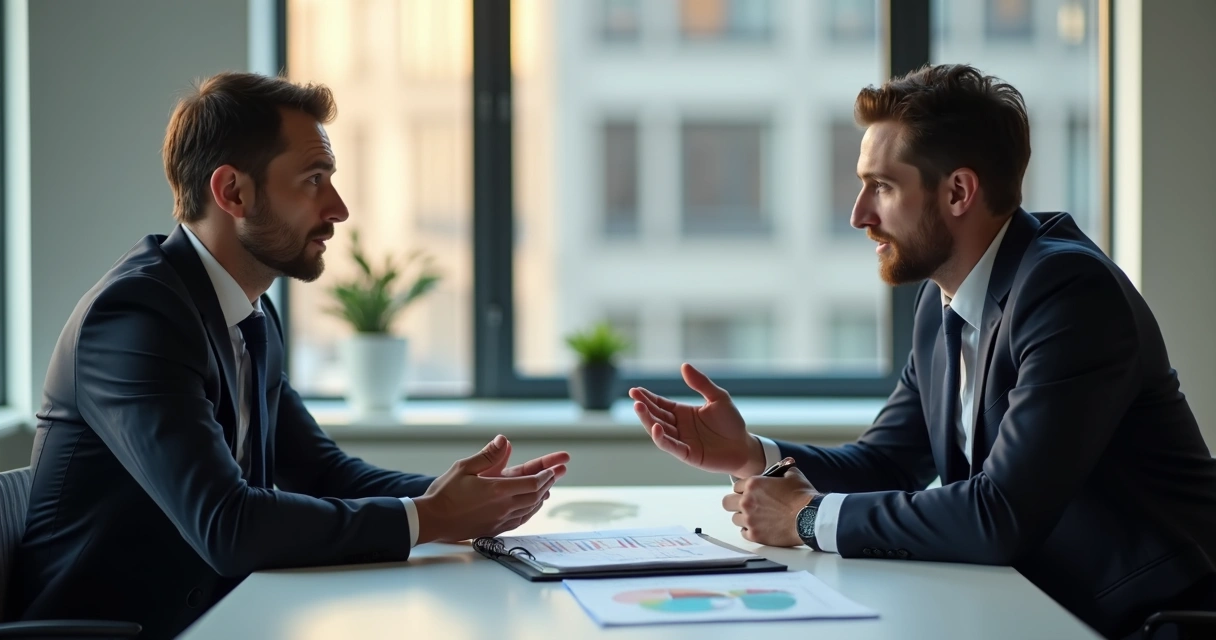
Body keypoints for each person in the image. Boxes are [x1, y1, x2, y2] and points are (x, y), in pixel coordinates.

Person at [630, 64, 1216, 640]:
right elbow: (888, 462)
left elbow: (998, 516)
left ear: (958, 191)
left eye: (882, 187)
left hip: (1153, 619)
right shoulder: (944, 303)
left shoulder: (1067, 292)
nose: (860, 214)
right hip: (1042, 607)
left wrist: (806, 518)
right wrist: (755, 454)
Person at [5, 72, 569, 639]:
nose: (339, 208)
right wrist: (432, 517)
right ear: (233, 193)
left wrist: (469, 500)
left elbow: (322, 471)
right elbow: (228, 524)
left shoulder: (249, 314)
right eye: (313, 180)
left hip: (222, 615)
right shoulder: (135, 318)